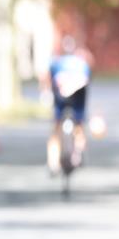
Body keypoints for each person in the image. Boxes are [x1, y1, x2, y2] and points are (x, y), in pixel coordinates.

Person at [45, 35, 92, 174]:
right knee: (79, 124)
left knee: (56, 128)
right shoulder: (82, 62)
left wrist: (47, 93)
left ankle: (52, 162)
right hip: (79, 96)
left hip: (60, 96)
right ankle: (79, 152)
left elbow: (50, 81)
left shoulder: (56, 63)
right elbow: (87, 80)